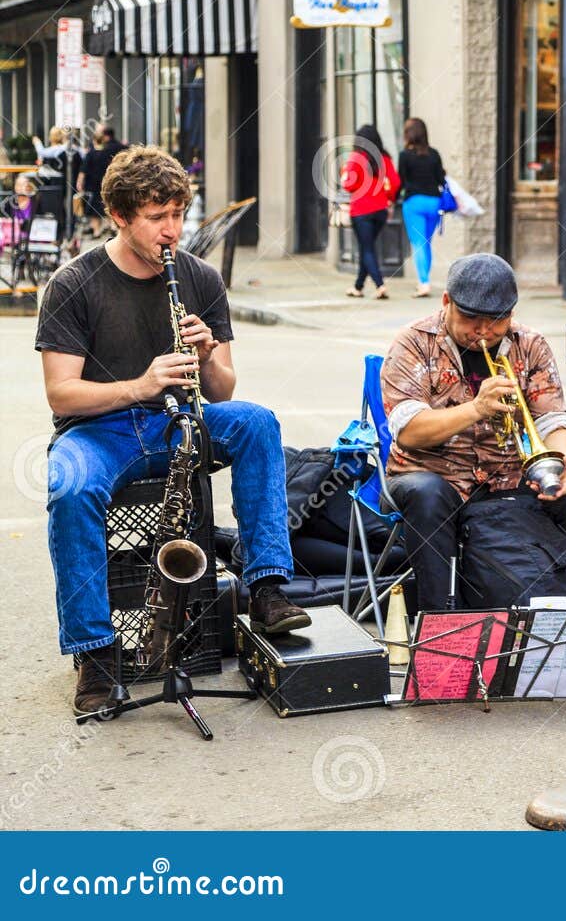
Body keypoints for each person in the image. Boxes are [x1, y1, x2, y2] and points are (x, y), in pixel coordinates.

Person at [36, 147, 309, 717]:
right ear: (120, 215)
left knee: (257, 422)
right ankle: (96, 656)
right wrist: (140, 384)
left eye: (179, 213)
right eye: (157, 216)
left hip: (177, 421)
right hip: (99, 430)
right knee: (69, 483)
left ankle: (265, 588)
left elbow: (223, 391)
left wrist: (207, 354)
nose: (173, 230)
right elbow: (61, 393)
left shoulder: (199, 278)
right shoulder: (74, 283)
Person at [381, 253, 566, 611]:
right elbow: (409, 432)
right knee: (428, 496)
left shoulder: (530, 345)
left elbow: (552, 421)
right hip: (428, 474)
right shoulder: (413, 342)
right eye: (471, 319)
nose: (484, 332)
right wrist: (476, 408)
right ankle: (439, 627)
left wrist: (563, 461)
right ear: (447, 303)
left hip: (507, 477)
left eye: (497, 320)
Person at [341, 124, 400, 300]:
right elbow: (395, 183)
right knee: (367, 248)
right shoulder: (385, 158)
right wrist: (388, 198)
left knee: (366, 249)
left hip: (361, 211)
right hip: (380, 210)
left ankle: (380, 285)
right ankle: (358, 286)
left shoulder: (356, 158)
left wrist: (345, 173)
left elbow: (348, 184)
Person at [397, 117, 448, 298]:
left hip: (414, 203)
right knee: (426, 243)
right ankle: (424, 280)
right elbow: (441, 180)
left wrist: (394, 200)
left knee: (418, 243)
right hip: (434, 203)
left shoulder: (404, 156)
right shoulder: (434, 154)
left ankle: (424, 283)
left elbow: (400, 181)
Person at [77, 125, 124, 238]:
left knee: (93, 209)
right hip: (106, 183)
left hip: (92, 185)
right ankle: (112, 226)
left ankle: (96, 231)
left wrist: (79, 182)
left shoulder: (90, 154)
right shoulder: (107, 153)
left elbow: (83, 170)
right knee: (108, 204)